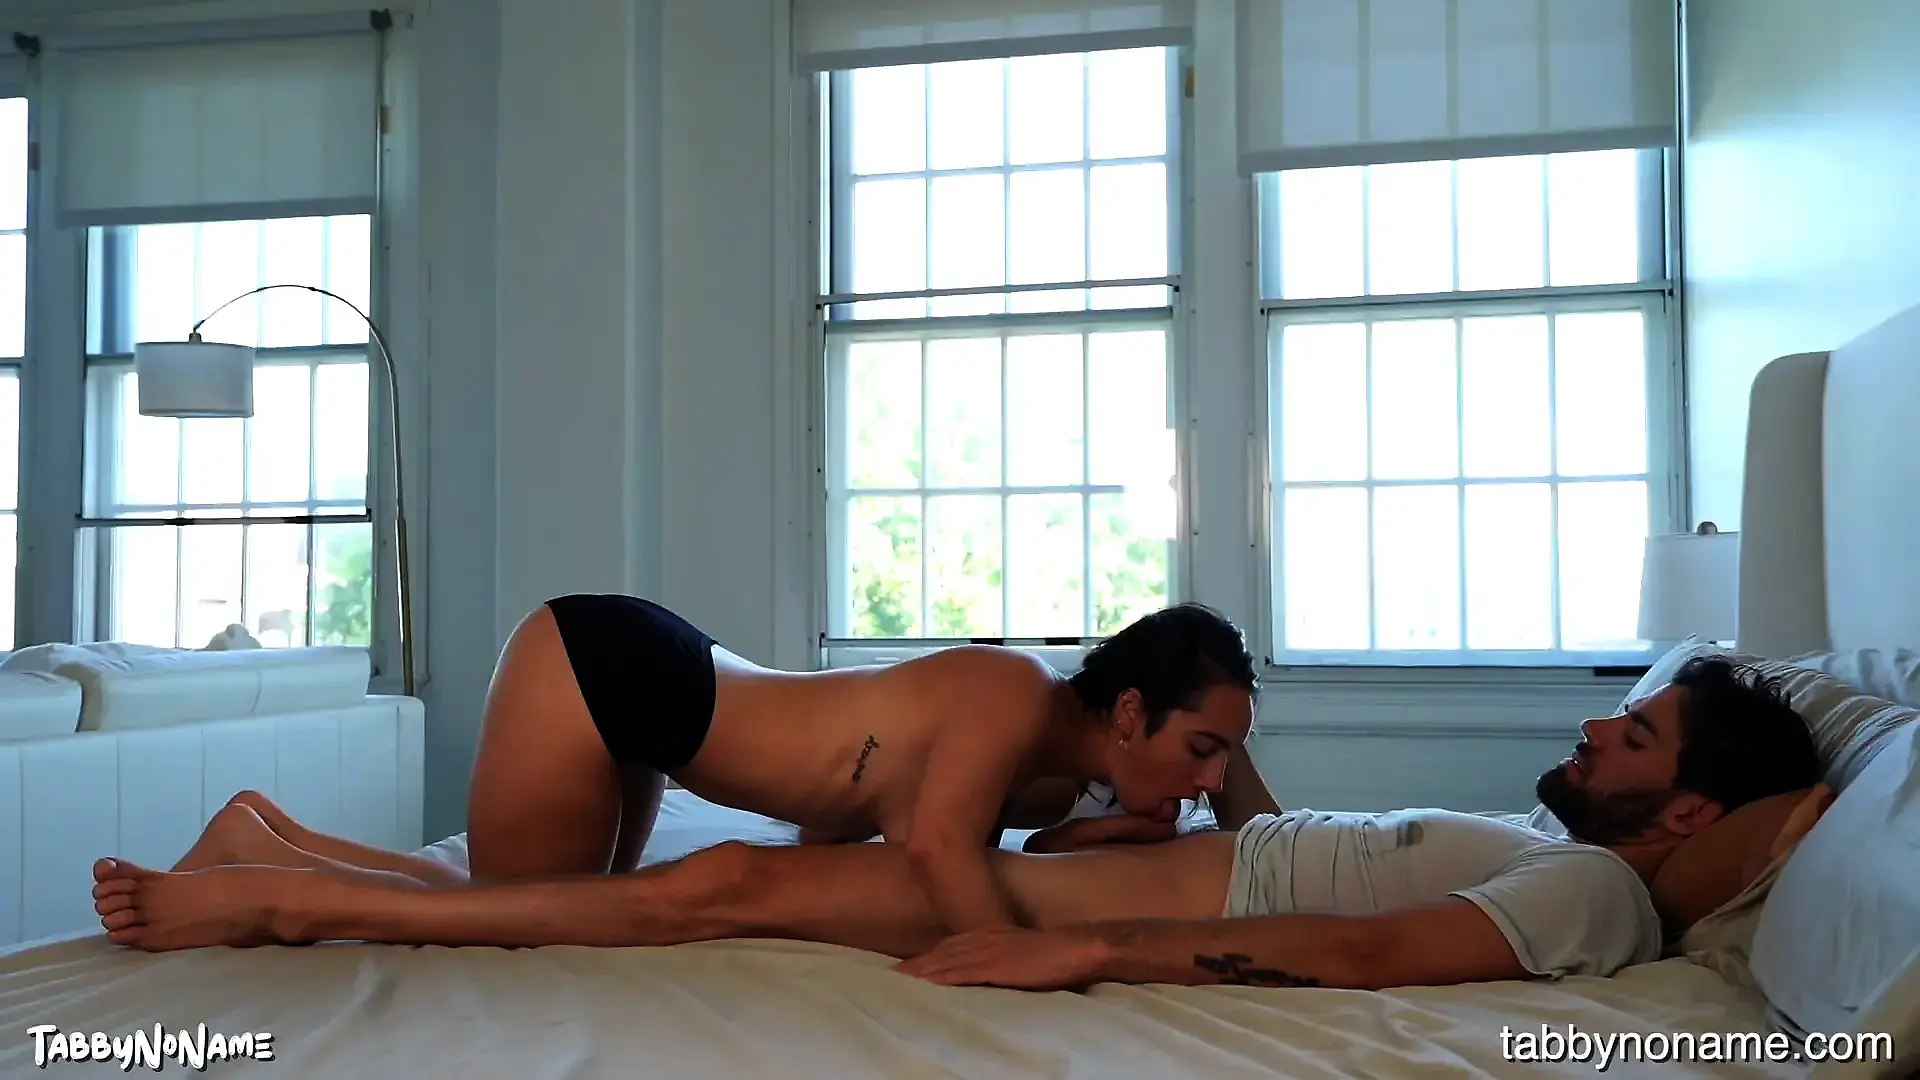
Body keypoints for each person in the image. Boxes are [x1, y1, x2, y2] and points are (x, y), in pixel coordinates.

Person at [93, 654, 1822, 994]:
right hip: (1104, 874)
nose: (1594, 727)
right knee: (706, 879)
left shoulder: (1599, 897)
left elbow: (1365, 945)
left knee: (698, 896)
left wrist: (1088, 950)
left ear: (1687, 807)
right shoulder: (1557, 844)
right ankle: (282, 872)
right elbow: (1307, 848)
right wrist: (1220, 776)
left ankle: (282, 904)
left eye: (1634, 733)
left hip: (1103, 908)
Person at [188, 597, 1262, 939]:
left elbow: (872, 830)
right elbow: (939, 855)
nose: (1212, 780)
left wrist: (1082, 837)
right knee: (516, 922)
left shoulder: (1043, 768)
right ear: (1130, 712)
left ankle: (260, 838)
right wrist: (1037, 969)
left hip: (666, 692)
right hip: (600, 668)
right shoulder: (1014, 693)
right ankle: (259, 865)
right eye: (1204, 749)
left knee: (550, 902)